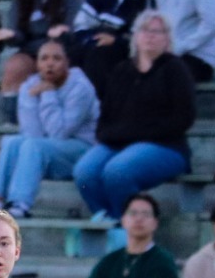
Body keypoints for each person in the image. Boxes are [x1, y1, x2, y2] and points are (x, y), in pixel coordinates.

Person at [73, 12, 197, 220]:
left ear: (167, 38)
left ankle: (127, 228)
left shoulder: (175, 69)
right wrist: (108, 136)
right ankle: (109, 219)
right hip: (118, 144)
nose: (150, 36)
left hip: (165, 146)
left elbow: (184, 117)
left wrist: (136, 133)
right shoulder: (121, 70)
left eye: (158, 31)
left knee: (118, 172)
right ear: (135, 36)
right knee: (84, 173)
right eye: (145, 30)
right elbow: (106, 114)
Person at [0, 38, 98, 219]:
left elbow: (59, 132)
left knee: (34, 146)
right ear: (37, 64)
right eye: (44, 59)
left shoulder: (80, 87)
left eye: (56, 58)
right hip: (50, 148)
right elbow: (33, 132)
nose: (50, 64)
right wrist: (33, 98)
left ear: (67, 63)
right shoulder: (30, 86)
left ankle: (20, 203)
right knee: (12, 141)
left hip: (82, 149)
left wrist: (48, 93)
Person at [70, 0, 150, 89]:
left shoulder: (145, 0)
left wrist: (115, 40)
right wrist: (95, 38)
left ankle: (98, 106)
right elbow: (82, 24)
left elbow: (137, 39)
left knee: (99, 56)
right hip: (92, 41)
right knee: (68, 51)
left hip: (121, 50)